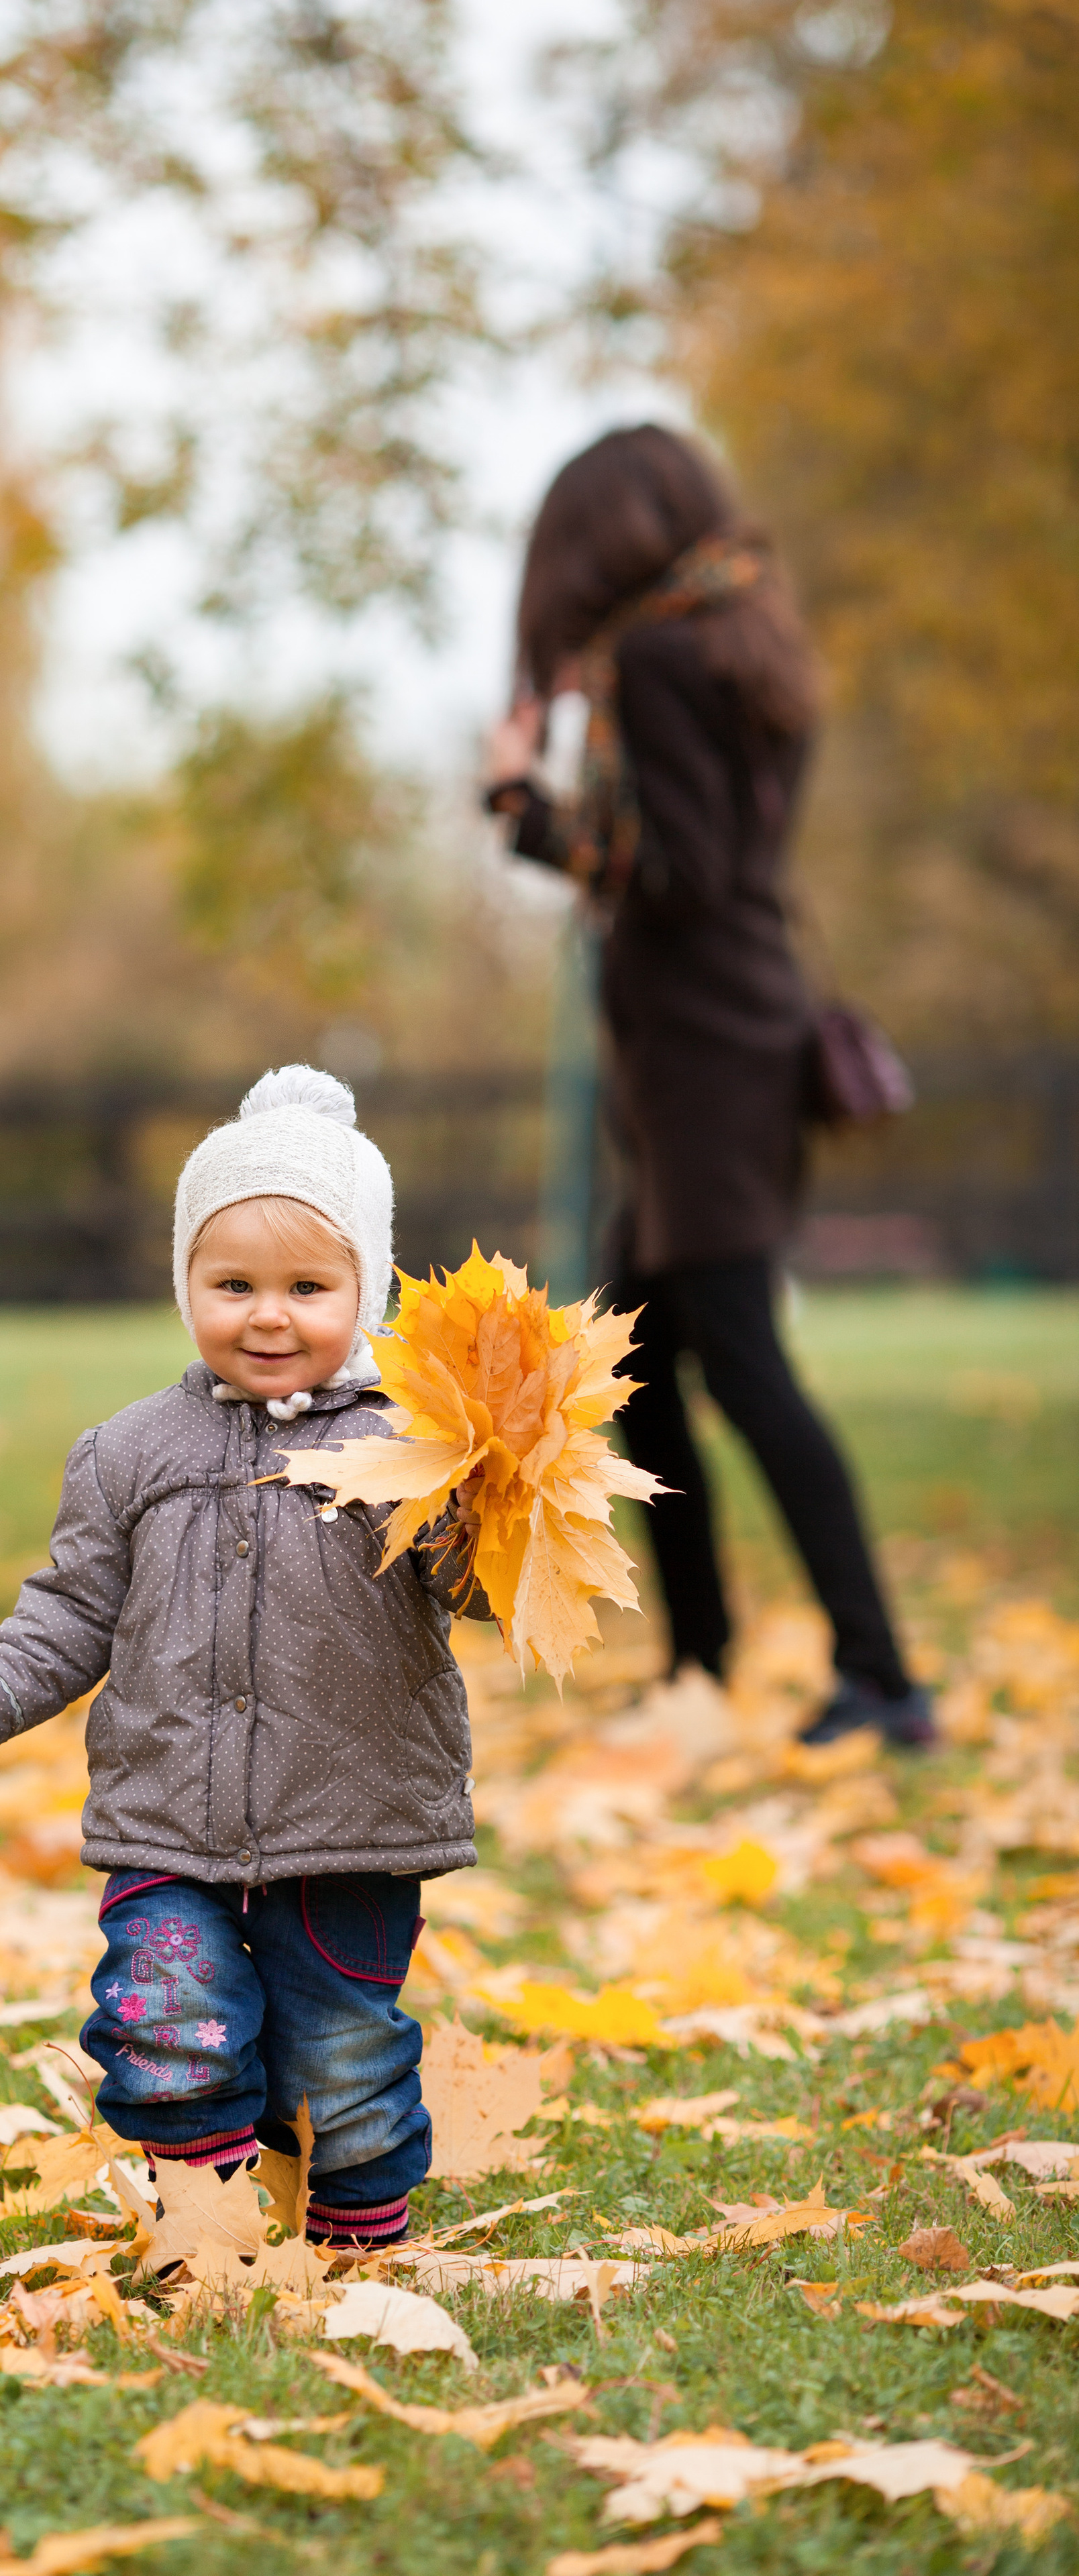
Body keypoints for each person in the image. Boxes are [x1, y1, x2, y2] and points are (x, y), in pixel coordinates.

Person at [0, 1066, 487, 2249]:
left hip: (354, 1818)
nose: (267, 1316)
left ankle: (357, 2243)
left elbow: (473, 1589)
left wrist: (485, 1507)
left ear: (365, 1289)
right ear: (187, 1283)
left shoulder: (410, 1445)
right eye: (233, 1285)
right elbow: (70, 1611)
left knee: (339, 2057)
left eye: (307, 1288)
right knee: (164, 2021)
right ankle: (211, 2220)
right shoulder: (130, 1452)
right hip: (166, 1811)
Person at [481, 424, 933, 1750]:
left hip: (706, 1068)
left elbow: (675, 872)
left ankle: (881, 1680)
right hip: (724, 1051)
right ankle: (703, 1667)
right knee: (638, 1364)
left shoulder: (663, 659)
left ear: (601, 540)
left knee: (737, 1367)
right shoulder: (734, 643)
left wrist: (525, 813)